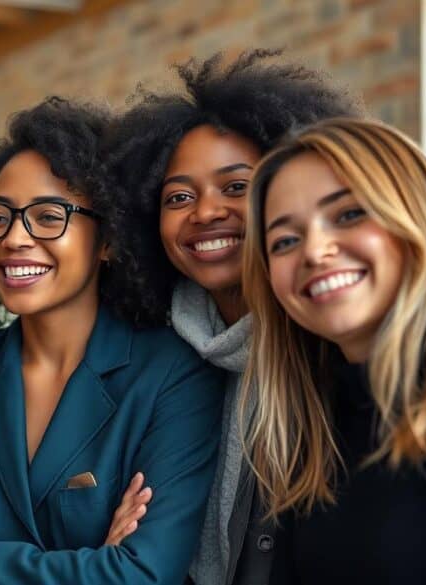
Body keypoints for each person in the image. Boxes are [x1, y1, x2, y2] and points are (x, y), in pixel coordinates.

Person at [0, 97, 224, 585]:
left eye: (49, 216)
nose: (14, 239)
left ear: (109, 239)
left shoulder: (172, 373)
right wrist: (93, 566)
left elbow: (144, 573)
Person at [102, 49, 361, 585]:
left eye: (237, 187)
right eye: (178, 196)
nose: (206, 211)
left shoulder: (336, 348)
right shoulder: (149, 356)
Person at [243, 117, 426, 584]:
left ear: (419, 216)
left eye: (349, 214)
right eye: (285, 241)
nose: (315, 251)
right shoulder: (309, 437)